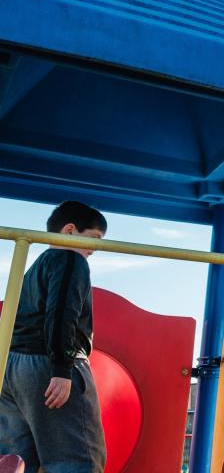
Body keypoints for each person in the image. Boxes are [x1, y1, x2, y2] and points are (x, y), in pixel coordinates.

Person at [0, 201, 108, 472]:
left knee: (17, 459)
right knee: (76, 458)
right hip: (48, 364)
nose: (96, 247)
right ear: (69, 231)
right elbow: (61, 313)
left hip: (12, 366)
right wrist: (62, 369)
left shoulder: (35, 266)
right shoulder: (71, 260)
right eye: (94, 238)